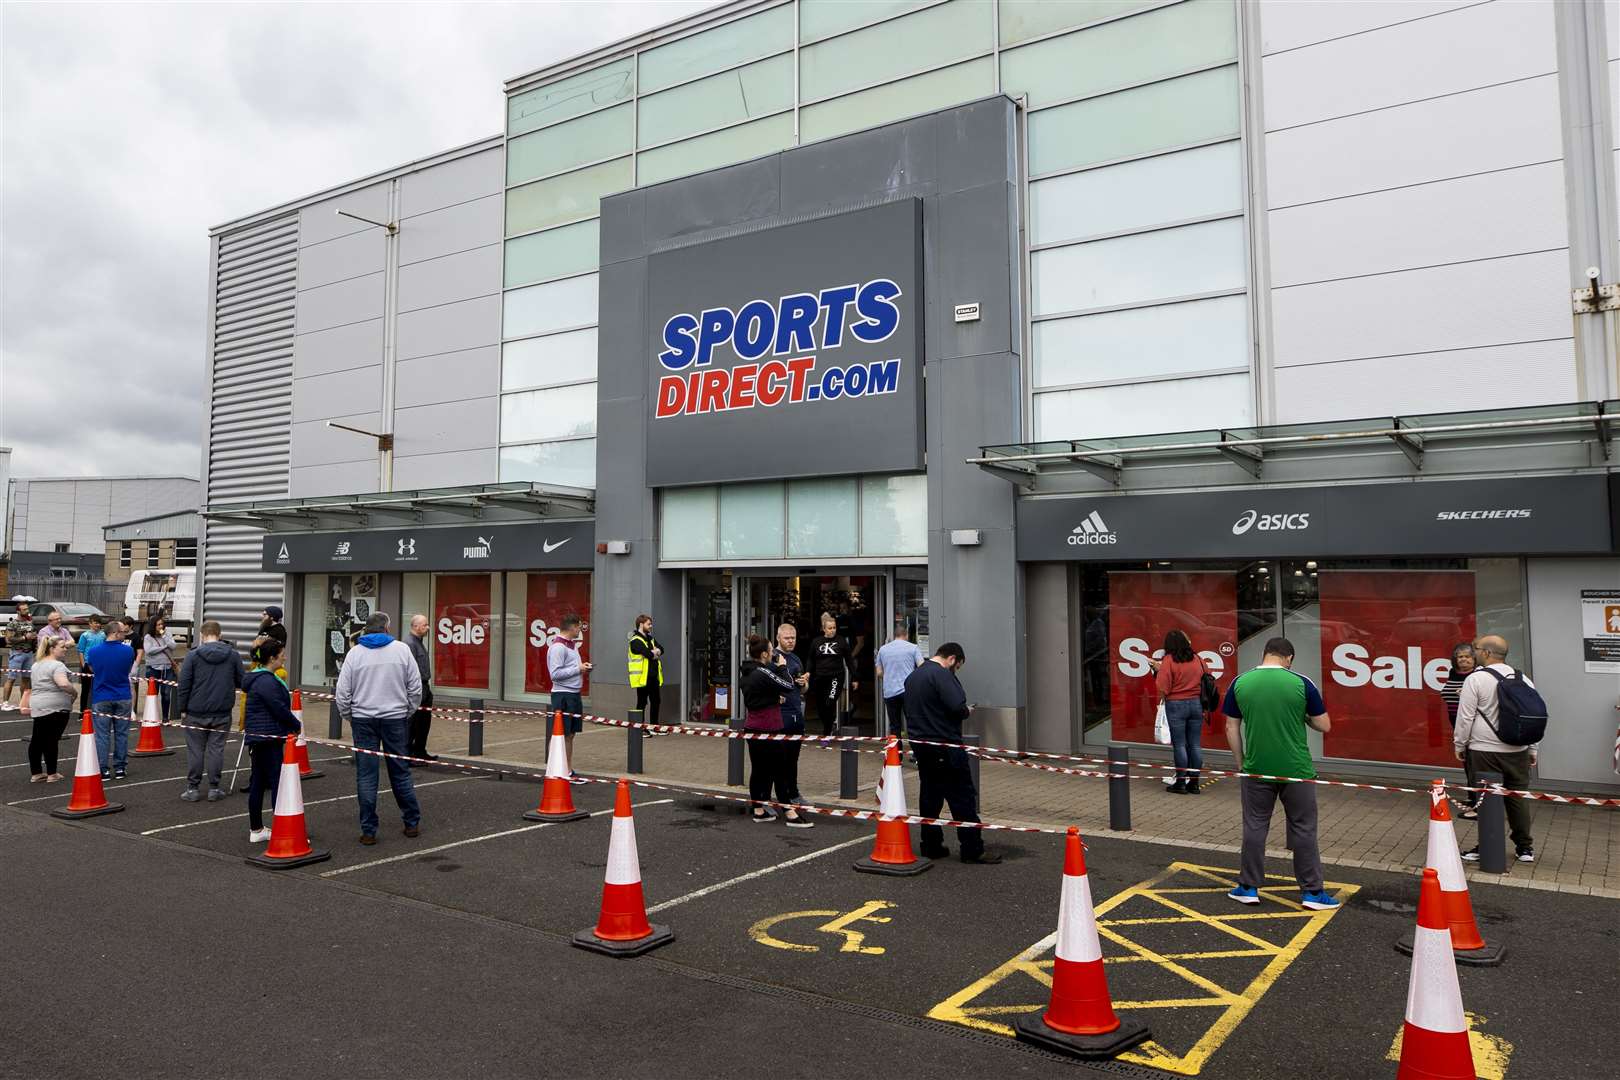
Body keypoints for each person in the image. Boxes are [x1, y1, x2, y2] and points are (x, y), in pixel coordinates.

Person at [1221, 637, 1339, 911]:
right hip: (1296, 770)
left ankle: (1248, 888)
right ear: (1289, 658)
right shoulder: (1301, 683)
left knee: (1255, 826)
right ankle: (1312, 892)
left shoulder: (1240, 683)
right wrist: (1304, 717)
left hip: (1257, 768)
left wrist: (1241, 763)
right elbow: (1325, 725)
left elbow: (1231, 727)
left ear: (1264, 655)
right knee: (1303, 828)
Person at [904, 643, 999, 864]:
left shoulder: (914, 676)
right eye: (958, 666)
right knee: (963, 799)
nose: (956, 670)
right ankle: (972, 849)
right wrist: (967, 711)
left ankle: (931, 845)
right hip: (946, 745)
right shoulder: (942, 675)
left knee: (930, 798)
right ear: (952, 659)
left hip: (921, 744)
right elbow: (957, 706)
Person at [335, 612, 422, 845]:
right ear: (386, 627)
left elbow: (342, 693)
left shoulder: (355, 654)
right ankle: (411, 822)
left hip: (363, 719)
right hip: (395, 718)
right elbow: (415, 686)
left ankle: (368, 830)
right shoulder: (402, 650)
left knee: (366, 775)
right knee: (400, 772)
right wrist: (407, 711)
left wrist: (349, 715)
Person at [1455, 634, 1538, 864]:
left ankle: (1487, 847)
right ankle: (1525, 848)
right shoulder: (1523, 678)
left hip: (1484, 750)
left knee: (1487, 800)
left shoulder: (1476, 679)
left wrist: (1460, 744)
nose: (1474, 653)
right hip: (1517, 750)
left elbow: (1465, 716)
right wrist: (1532, 748)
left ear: (1487, 653)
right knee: (1517, 799)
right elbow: (1532, 715)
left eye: (1477, 649)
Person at [739, 634, 810, 826]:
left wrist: (772, 699)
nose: (773, 654)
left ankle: (759, 810)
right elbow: (787, 685)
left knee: (759, 770)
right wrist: (782, 666)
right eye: (771, 651)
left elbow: (756, 697)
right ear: (764, 654)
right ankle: (789, 812)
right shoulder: (762, 672)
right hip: (767, 727)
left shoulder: (747, 672)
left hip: (752, 726)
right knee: (780, 770)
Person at [176, 619, 245, 802]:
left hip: (196, 710)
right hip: (222, 709)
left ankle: (193, 788)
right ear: (220, 635)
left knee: (195, 750)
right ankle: (214, 787)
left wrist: (182, 708)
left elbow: (184, 684)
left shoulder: (193, 656)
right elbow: (241, 681)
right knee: (217, 749)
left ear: (202, 635)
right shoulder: (232, 655)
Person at [242, 639, 301, 844]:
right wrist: (295, 724)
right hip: (268, 737)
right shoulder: (267, 681)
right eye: (281, 654)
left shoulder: (260, 678)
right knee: (277, 782)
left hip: (259, 736)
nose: (284, 656)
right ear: (272, 658)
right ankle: (281, 829)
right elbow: (278, 707)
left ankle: (257, 828)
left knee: (258, 781)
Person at [1156, 629, 1209, 795]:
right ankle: (1194, 783)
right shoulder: (1198, 659)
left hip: (1176, 704)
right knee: (1194, 744)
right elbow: (1208, 676)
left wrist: (1157, 671)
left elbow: (1163, 686)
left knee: (1179, 744)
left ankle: (1180, 782)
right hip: (1196, 704)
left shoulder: (1168, 660)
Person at [85, 618, 138, 781]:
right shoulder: (128, 651)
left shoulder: (94, 651)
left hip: (101, 696)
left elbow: (92, 669)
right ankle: (120, 767)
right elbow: (128, 669)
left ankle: (103, 769)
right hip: (122, 695)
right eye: (122, 632)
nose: (125, 634)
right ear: (115, 633)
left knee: (102, 735)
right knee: (121, 734)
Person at [546, 613, 592, 784]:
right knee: (561, 734)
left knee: (570, 734)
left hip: (573, 693)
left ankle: (567, 769)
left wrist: (582, 668)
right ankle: (559, 769)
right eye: (579, 626)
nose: (580, 629)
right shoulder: (558, 647)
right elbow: (555, 675)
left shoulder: (572, 646)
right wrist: (578, 669)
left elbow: (571, 668)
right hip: (563, 695)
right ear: (572, 627)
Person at [27, 636, 75, 783]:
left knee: (37, 739)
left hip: (38, 705)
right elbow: (63, 684)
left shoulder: (36, 665)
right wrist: (74, 692)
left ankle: (36, 773)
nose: (65, 649)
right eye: (62, 647)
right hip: (55, 707)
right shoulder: (57, 665)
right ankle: (52, 773)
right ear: (52, 649)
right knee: (51, 740)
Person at [1439, 642, 1480, 817]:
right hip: (1457, 725)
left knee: (1475, 765)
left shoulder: (1477, 675)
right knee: (1467, 764)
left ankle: (1479, 804)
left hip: (1473, 727)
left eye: (1467, 656)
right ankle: (1472, 797)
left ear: (1474, 659)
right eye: (1460, 656)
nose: (1463, 660)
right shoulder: (1453, 673)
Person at [774, 622, 811, 805]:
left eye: (793, 638)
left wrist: (804, 683)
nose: (790, 641)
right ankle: (781, 796)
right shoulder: (773, 658)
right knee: (780, 759)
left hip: (797, 713)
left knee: (793, 758)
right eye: (787, 638)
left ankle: (794, 793)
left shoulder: (796, 659)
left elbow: (803, 690)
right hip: (780, 715)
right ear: (778, 638)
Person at [808, 612, 856, 736]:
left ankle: (827, 732)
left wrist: (855, 677)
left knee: (830, 702)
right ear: (824, 629)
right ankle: (829, 724)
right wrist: (808, 672)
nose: (833, 630)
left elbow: (849, 660)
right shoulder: (816, 642)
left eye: (834, 628)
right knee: (820, 707)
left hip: (836, 677)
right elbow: (810, 659)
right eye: (830, 628)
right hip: (820, 678)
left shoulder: (841, 641)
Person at [874, 622, 924, 739]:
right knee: (913, 724)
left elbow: (879, 673)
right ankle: (916, 754)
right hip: (908, 692)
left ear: (895, 635)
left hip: (890, 692)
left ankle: (896, 755)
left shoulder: (883, 649)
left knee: (894, 726)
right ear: (906, 635)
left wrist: (890, 674)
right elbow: (922, 668)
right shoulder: (913, 648)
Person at [627, 614, 665, 737]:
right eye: (649, 624)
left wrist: (656, 651)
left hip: (653, 676)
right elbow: (648, 654)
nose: (651, 626)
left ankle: (654, 726)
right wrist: (654, 652)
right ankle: (640, 729)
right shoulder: (635, 640)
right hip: (642, 678)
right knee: (642, 703)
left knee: (656, 701)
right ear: (641, 624)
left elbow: (662, 649)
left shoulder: (650, 638)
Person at [405, 613, 436, 760]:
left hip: (424, 687)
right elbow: (408, 670)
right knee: (413, 723)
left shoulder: (418, 641)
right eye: (425, 625)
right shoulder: (410, 644)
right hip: (416, 687)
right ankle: (409, 753)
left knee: (424, 722)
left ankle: (420, 751)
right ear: (415, 626)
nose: (428, 627)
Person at [2, 597, 38, 711]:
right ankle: (5, 703)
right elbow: (8, 640)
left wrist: (34, 640)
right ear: (18, 611)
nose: (27, 611)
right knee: (11, 678)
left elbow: (33, 635)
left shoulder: (30, 622)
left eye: (27, 609)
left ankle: (23, 702)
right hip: (17, 653)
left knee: (26, 679)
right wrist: (24, 637)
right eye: (24, 610)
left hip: (29, 654)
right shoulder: (13, 624)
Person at [142, 614, 179, 720]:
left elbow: (173, 646)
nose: (160, 627)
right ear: (153, 626)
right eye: (158, 625)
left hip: (167, 667)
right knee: (153, 693)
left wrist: (164, 638)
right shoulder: (148, 637)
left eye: (162, 624)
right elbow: (149, 650)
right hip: (153, 668)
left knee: (166, 694)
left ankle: (165, 717)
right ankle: (153, 717)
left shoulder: (167, 634)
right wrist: (163, 647)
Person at [76, 613, 107, 710]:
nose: (97, 625)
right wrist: (83, 664)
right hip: (87, 665)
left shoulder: (103, 635)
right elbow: (81, 650)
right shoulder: (85, 635)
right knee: (85, 689)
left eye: (99, 623)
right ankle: (83, 711)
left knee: (99, 688)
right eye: (95, 623)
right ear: (90, 623)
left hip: (100, 665)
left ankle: (98, 710)